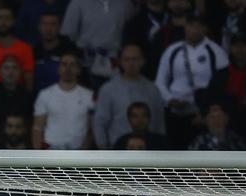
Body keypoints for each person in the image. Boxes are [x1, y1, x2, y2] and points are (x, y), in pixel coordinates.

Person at [155, 13, 229, 149]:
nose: (195, 30)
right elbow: (160, 81)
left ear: (205, 29)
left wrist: (205, 112)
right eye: (191, 25)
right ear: (185, 27)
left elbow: (221, 85)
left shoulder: (216, 52)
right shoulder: (172, 50)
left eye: (199, 26)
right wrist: (170, 99)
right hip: (175, 112)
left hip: (201, 114)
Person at [93, 44, 166, 149]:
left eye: (135, 59)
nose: (131, 63)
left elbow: (159, 122)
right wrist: (104, 148)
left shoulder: (153, 89)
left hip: (148, 149)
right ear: (120, 62)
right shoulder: (108, 89)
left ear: (142, 61)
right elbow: (100, 122)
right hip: (118, 149)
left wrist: (161, 147)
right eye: (126, 59)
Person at [61, 0, 135, 82]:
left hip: (117, 64)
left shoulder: (125, 4)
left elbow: (132, 34)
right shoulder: (78, 3)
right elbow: (68, 35)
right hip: (85, 63)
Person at [32, 51, 94, 149]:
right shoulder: (45, 94)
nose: (67, 69)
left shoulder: (89, 96)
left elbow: (91, 129)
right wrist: (38, 154)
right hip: (51, 150)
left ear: (79, 70)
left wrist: (83, 152)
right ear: (58, 68)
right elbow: (37, 128)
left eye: (72, 65)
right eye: (64, 64)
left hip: (78, 151)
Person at [0, 4, 35, 90]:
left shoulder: (25, 49)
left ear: (14, 21)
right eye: (0, 18)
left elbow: (29, 81)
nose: (3, 22)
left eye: (7, 18)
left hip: (18, 95)